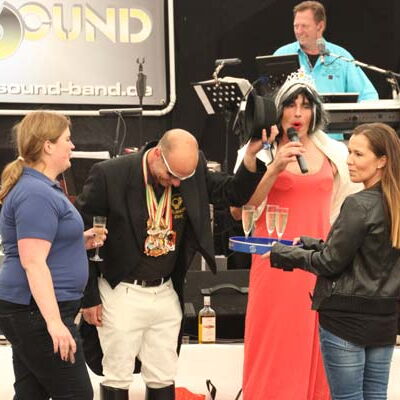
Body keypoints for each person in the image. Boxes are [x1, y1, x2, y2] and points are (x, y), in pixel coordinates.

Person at [75, 128, 268, 400]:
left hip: (166, 289)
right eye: (171, 175)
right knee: (117, 374)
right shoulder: (109, 174)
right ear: (157, 154)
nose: (177, 183)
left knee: (163, 374)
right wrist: (89, 298)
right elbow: (80, 239)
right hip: (121, 289)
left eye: (183, 178)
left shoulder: (190, 171)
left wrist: (250, 157)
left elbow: (232, 193)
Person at [233, 70, 361, 400]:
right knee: (276, 339)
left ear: (316, 111)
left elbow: (350, 203)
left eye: (306, 105)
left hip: (320, 262)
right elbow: (240, 208)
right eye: (291, 105)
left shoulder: (335, 152)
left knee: (318, 341)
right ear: (279, 110)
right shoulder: (259, 152)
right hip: (275, 261)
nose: (299, 113)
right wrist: (275, 167)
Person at [268, 122, 400, 400]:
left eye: (358, 154)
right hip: (385, 319)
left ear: (382, 161)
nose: (349, 161)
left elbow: (330, 262)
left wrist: (282, 253)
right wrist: (310, 243)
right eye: (349, 152)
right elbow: (366, 252)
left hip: (345, 320)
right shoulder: (394, 203)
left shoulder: (359, 204)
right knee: (376, 396)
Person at [0, 111, 106, 400]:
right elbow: (33, 262)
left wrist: (77, 241)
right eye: (67, 140)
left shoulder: (40, 188)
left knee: (31, 394)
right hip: (35, 310)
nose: (72, 146)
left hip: (33, 309)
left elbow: (43, 246)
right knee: (76, 395)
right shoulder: (36, 193)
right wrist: (54, 323)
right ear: (48, 146)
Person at [274, 1, 378, 101]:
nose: (299, 31)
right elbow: (269, 96)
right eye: (296, 26)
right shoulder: (282, 55)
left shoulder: (341, 56)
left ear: (320, 26)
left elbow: (368, 96)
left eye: (304, 26)